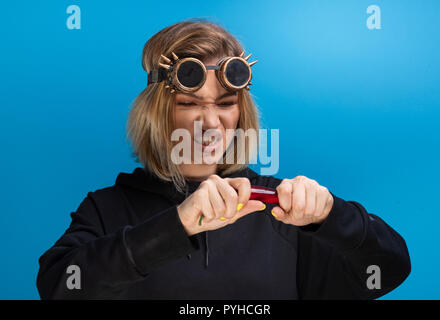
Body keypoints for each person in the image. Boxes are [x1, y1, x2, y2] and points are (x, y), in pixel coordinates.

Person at [36, 19, 411, 299]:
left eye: (226, 104)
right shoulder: (108, 208)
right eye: (189, 104)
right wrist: (177, 226)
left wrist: (332, 215)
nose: (211, 123)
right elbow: (59, 287)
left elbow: (389, 269)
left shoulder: (284, 208)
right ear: (157, 113)